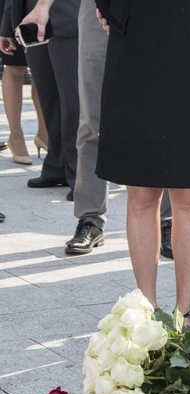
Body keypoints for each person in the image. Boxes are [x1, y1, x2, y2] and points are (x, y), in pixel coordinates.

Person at [94, 0, 190, 315]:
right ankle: (147, 311)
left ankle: (185, 312)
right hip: (134, 37)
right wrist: (111, 9)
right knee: (140, 192)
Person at [19, 0, 174, 256]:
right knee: (92, 120)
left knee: (165, 118)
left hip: (162, 10)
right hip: (98, 8)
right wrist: (43, 6)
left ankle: (168, 220)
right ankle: (90, 218)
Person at [3, 0, 80, 201]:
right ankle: (57, 166)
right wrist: (7, 26)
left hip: (69, 17)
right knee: (49, 98)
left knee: (73, 102)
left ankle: (80, 175)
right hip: (30, 23)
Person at [0, 0, 49, 166]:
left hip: (47, 9)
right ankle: (16, 135)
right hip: (11, 7)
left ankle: (44, 132)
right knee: (15, 66)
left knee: (42, 69)